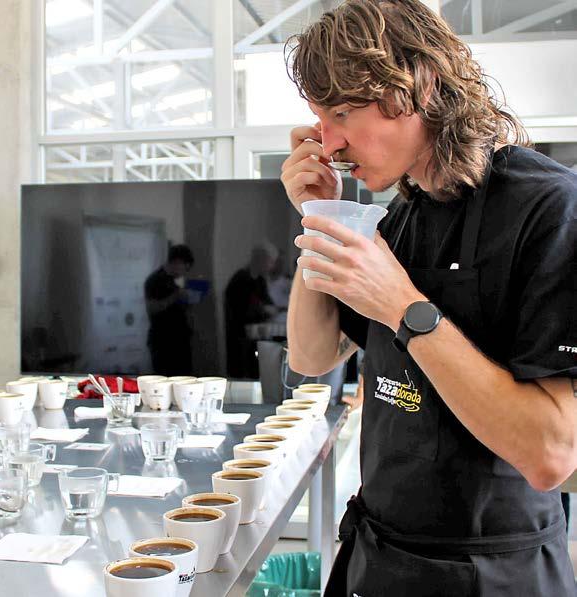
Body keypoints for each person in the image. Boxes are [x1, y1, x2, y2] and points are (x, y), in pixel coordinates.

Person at [281, 1, 577, 595]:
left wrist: (403, 307)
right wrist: (320, 218)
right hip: (381, 555)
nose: (328, 143)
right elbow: (312, 357)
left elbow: (552, 453)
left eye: (342, 112)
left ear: (418, 86)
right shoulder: (399, 217)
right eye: (319, 118)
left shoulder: (549, 210)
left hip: (494, 572)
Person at [224, 243, 288, 378]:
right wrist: (263, 309)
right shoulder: (240, 279)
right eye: (270, 262)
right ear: (261, 259)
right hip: (241, 339)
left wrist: (273, 309)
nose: (272, 266)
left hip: (258, 339)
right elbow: (241, 310)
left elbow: (268, 303)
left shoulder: (260, 280)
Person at [144, 244, 194, 376]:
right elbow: (152, 308)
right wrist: (176, 296)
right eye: (185, 268)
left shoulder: (172, 283)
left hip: (178, 341)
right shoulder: (155, 281)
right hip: (164, 344)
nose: (184, 273)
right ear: (177, 262)